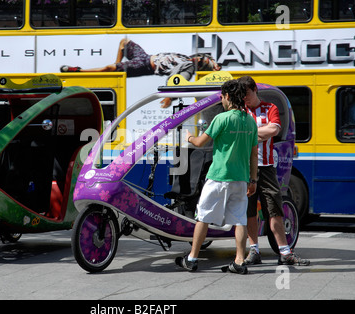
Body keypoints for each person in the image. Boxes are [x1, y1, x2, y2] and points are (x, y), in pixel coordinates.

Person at [175, 79, 258, 274]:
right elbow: (254, 154)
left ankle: (192, 259)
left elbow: (200, 142)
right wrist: (253, 180)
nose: (221, 100)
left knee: (202, 217)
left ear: (228, 96)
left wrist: (188, 137)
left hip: (219, 177)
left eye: (222, 97)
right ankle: (239, 260)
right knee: (240, 220)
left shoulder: (222, 119)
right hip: (241, 179)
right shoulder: (250, 121)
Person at [238, 75, 310, 266]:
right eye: (241, 95)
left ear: (255, 90)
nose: (244, 98)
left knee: (274, 209)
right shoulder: (239, 110)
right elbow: (241, 134)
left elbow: (274, 130)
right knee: (249, 211)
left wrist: (247, 133)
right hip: (244, 168)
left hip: (267, 167)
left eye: (247, 94)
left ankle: (285, 252)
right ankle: (254, 250)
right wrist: (258, 133)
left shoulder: (270, 108)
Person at [60, 38, 221, 108]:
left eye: (201, 62)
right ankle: (117, 68)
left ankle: (80, 70)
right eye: (200, 58)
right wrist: (214, 64)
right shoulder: (186, 57)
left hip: (144, 65)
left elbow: (178, 80)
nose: (199, 59)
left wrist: (168, 98)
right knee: (124, 42)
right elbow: (208, 59)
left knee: (108, 68)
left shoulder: (188, 66)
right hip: (144, 56)